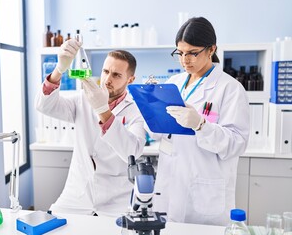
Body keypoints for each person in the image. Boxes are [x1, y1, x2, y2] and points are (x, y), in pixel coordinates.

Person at [147, 17, 250, 226]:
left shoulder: (229, 89)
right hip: (170, 186)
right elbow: (159, 135)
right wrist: (150, 109)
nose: (185, 60)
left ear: (211, 49)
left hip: (204, 191)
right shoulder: (173, 83)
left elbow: (236, 144)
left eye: (193, 53)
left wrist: (201, 125)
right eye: (180, 53)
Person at [35, 39, 146, 217]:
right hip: (76, 195)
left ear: (130, 79)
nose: (108, 80)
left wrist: (103, 110)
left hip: (115, 201)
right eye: (106, 71)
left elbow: (132, 151)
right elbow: (45, 106)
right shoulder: (83, 99)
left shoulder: (137, 110)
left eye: (116, 75)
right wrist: (59, 70)